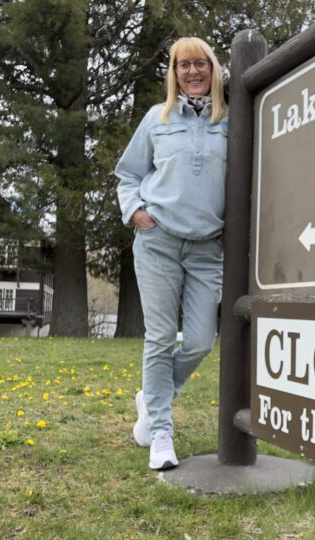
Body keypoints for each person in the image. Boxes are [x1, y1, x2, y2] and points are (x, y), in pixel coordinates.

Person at [115, 37, 228, 471]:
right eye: (184, 65)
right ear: (174, 73)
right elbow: (128, 174)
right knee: (160, 337)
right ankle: (161, 432)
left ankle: (152, 396)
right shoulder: (156, 118)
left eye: (201, 64)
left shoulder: (230, 123)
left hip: (207, 248)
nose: (193, 72)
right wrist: (137, 213)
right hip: (158, 240)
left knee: (200, 340)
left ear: (213, 70)